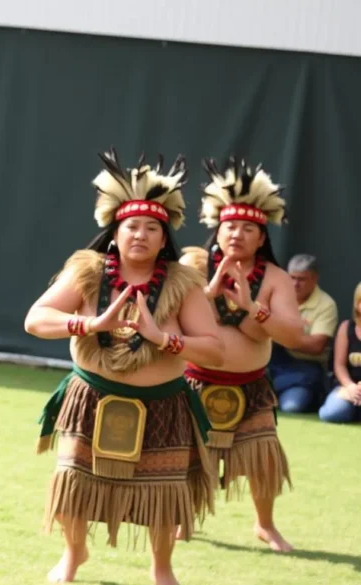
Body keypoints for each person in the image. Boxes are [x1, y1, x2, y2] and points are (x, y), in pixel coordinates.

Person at [25, 149, 222, 585]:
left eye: (153, 227)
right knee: (74, 486)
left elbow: (214, 351)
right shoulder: (87, 271)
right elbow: (36, 319)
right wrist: (89, 322)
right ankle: (74, 555)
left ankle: (162, 569)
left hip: (162, 404)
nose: (141, 234)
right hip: (90, 398)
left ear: (164, 237)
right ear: (115, 232)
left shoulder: (183, 283)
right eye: (132, 225)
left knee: (163, 495)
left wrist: (163, 338)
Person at [180, 157, 303, 553]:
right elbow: (172, 317)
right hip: (195, 379)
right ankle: (183, 518)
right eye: (230, 226)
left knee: (263, 458)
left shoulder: (276, 279)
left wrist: (253, 308)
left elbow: (294, 335)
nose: (237, 234)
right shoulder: (193, 265)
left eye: (248, 228)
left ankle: (264, 524)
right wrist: (210, 293)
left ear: (261, 237)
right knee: (186, 455)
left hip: (251, 386)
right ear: (218, 231)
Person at [267, 253, 338, 412]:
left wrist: (280, 336)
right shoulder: (276, 295)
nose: (295, 284)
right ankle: (266, 392)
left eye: (302, 279)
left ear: (314, 279)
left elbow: (316, 346)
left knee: (292, 407)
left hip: (305, 368)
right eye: (292, 277)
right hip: (272, 362)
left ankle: (266, 392)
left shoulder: (326, 305)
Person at [319, 282, 361, 423]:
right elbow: (339, 365)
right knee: (331, 414)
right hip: (347, 387)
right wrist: (350, 387)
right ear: (357, 305)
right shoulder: (346, 327)